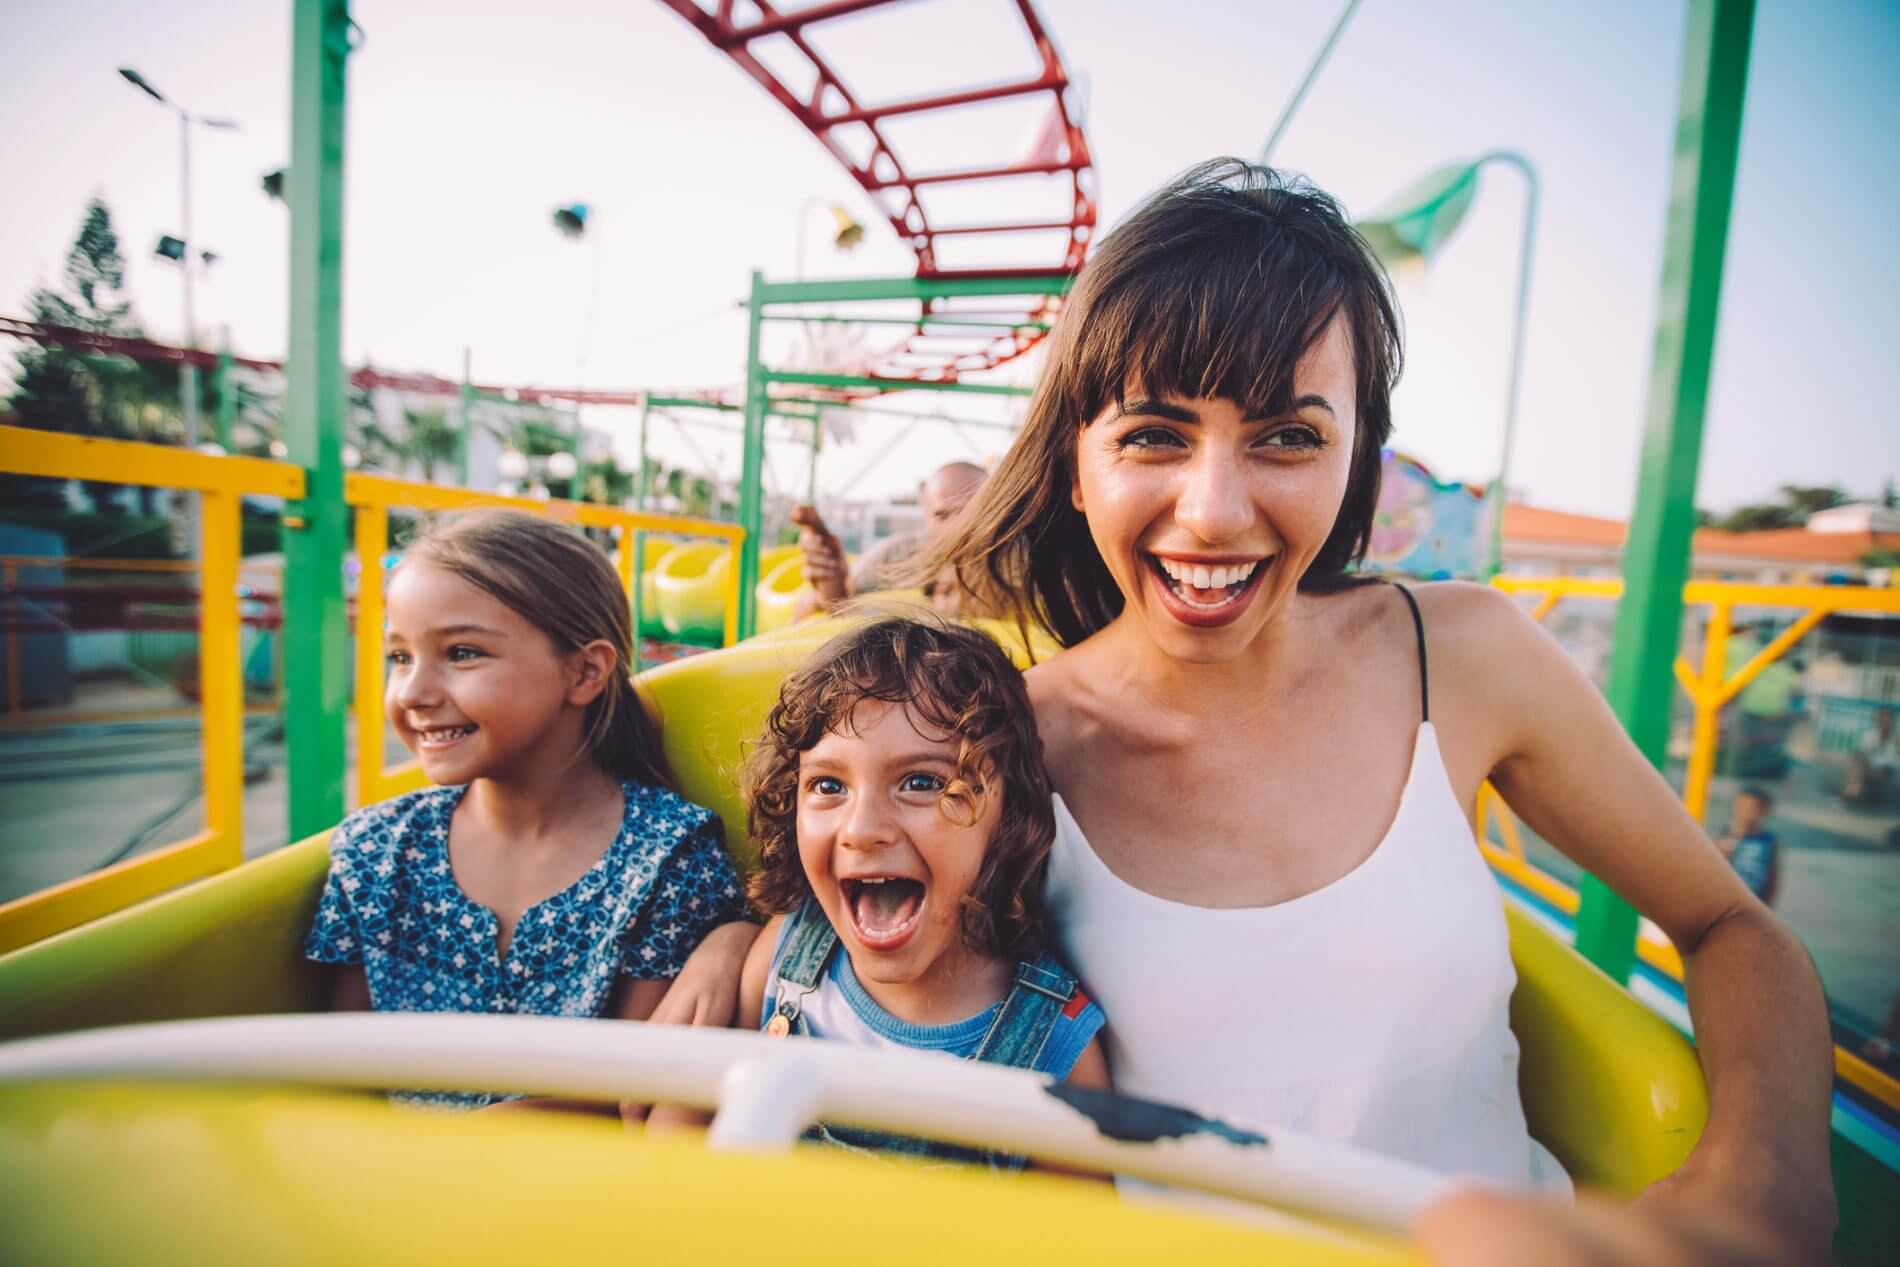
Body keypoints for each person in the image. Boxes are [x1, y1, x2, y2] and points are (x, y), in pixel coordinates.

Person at [915, 159, 1835, 1262]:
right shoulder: (1004, 747)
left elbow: (1732, 926)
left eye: (1287, 437)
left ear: (1356, 459)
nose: (1212, 512)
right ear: (1075, 466)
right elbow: (865, 960)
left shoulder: (1462, 656)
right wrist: (747, 941)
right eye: (1153, 435)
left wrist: (1760, 1176)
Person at [304, 509, 750, 1111]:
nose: (412, 692)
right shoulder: (376, 850)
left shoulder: (669, 857)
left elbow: (634, 1101)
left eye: (461, 653)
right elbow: (339, 1073)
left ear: (585, 671)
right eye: (400, 657)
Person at [733, 616, 1109, 1167]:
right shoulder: (784, 956)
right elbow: (689, 1130)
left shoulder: (1052, 1042)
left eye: (922, 782)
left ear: (1009, 813)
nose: (862, 830)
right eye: (828, 786)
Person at [792, 461, 989, 619]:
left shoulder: (1013, 563)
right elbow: (832, 602)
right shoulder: (898, 554)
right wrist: (832, 582)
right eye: (942, 515)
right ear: (925, 515)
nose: (956, 527)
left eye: (968, 512)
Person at [1716, 787, 1780, 907]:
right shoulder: (1723, 837)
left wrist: (1768, 906)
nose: (1747, 812)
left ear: (1765, 810)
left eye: (1753, 808)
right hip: (1726, 901)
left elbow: (1773, 877)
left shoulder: (1769, 841)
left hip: (1755, 902)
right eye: (1743, 807)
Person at [1843, 705, 1897, 806]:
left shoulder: (1896, 740)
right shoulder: (1869, 736)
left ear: (1891, 721)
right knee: (1856, 761)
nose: (1883, 722)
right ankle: (1852, 789)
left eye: (1886, 719)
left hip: (1888, 772)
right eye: (1881, 719)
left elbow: (1894, 762)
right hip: (1869, 769)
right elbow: (1860, 754)